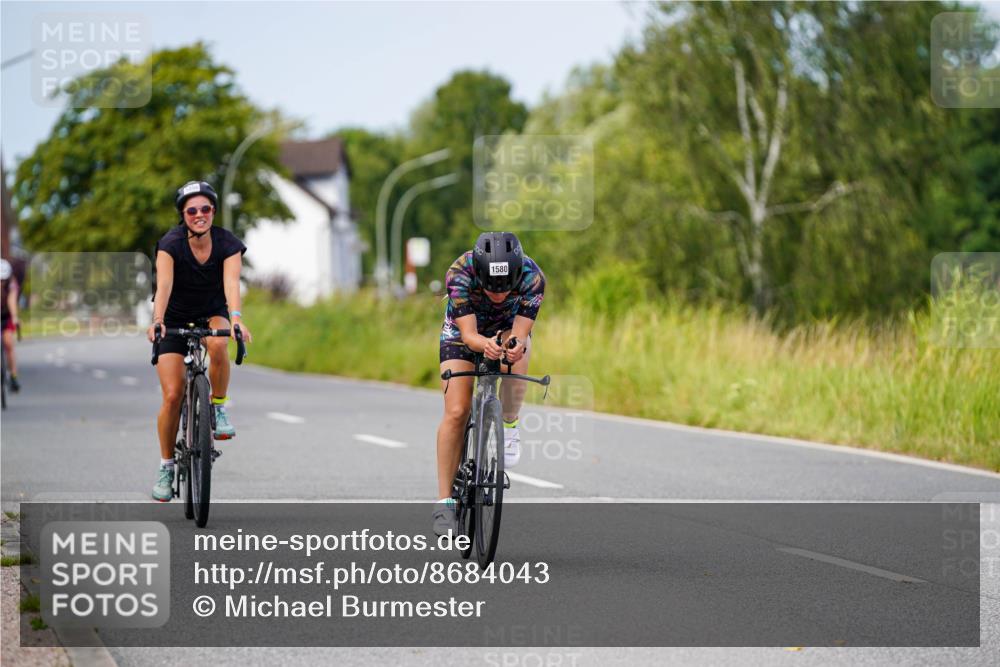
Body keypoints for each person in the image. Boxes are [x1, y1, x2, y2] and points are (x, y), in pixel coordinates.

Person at [433, 231, 545, 535]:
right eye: (491, 288)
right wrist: (483, 345)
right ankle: (444, 504)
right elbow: (469, 337)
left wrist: (511, 344)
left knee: (517, 358)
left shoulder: (533, 277)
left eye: (505, 289)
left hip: (508, 327)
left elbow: (520, 333)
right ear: (478, 274)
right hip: (463, 330)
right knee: (457, 410)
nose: (498, 295)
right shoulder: (459, 273)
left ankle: (509, 425)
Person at [146, 181, 251, 502]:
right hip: (174, 317)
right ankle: (166, 466)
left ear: (214, 211)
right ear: (183, 215)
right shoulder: (170, 244)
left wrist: (235, 319)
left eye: (205, 209)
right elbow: (163, 285)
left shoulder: (227, 243)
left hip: (212, 311)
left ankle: (217, 407)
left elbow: (232, 283)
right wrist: (158, 322)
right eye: (192, 210)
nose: (199, 215)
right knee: (173, 394)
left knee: (219, 344)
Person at [1, 258, 20, 392]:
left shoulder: (12, 285)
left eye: (3, 280)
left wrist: (14, 317)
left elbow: (11, 301)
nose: (1, 283)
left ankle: (13, 376)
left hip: (5, 316)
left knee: (8, 344)